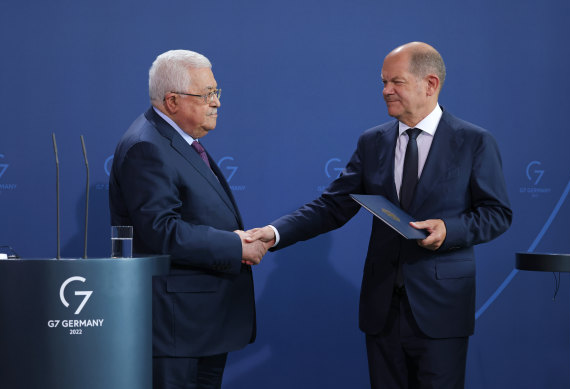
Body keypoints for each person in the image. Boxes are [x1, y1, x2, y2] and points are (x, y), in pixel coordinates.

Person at [247, 42, 512, 388]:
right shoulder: (373, 142)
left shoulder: (474, 141)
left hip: (441, 309)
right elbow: (332, 206)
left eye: (396, 82)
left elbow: (496, 213)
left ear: (430, 84)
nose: (386, 91)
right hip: (382, 309)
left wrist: (449, 230)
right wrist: (273, 232)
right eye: (383, 82)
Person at [109, 49, 271, 389]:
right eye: (208, 94)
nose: (217, 103)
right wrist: (235, 245)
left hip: (200, 325)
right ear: (172, 101)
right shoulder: (147, 146)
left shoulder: (176, 140)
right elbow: (161, 231)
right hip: (177, 328)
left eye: (217, 92)